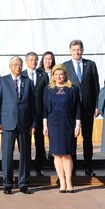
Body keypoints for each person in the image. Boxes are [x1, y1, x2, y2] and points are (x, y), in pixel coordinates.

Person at [0, 56, 36, 194]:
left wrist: (33, 123)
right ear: (10, 66)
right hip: (7, 123)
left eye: (20, 65)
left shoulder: (28, 82)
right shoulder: (2, 81)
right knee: (7, 154)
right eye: (15, 65)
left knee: (25, 154)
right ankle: (7, 183)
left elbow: (32, 105)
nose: (18, 67)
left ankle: (23, 183)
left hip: (24, 123)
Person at [62, 39, 100, 176]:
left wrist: (97, 106)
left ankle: (88, 167)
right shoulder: (65, 66)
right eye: (74, 50)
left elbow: (96, 87)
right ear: (70, 51)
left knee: (87, 139)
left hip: (88, 108)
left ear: (82, 50)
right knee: (72, 138)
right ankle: (72, 168)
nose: (77, 52)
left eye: (79, 49)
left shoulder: (90, 65)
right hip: (71, 109)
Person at [44, 65, 81, 193]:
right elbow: (45, 110)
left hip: (67, 124)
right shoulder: (48, 90)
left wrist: (77, 125)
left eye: (61, 74)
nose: (59, 77)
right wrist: (45, 126)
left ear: (65, 75)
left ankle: (69, 181)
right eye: (56, 74)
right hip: (53, 124)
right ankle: (62, 182)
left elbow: (77, 108)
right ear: (53, 76)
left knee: (66, 154)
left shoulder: (72, 89)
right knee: (57, 155)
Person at [24, 51, 49, 176]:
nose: (34, 62)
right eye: (31, 60)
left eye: (35, 59)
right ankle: (26, 167)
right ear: (26, 61)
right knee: (25, 142)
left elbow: (47, 94)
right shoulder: (22, 74)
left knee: (40, 143)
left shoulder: (43, 75)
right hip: (25, 114)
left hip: (39, 113)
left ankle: (39, 167)